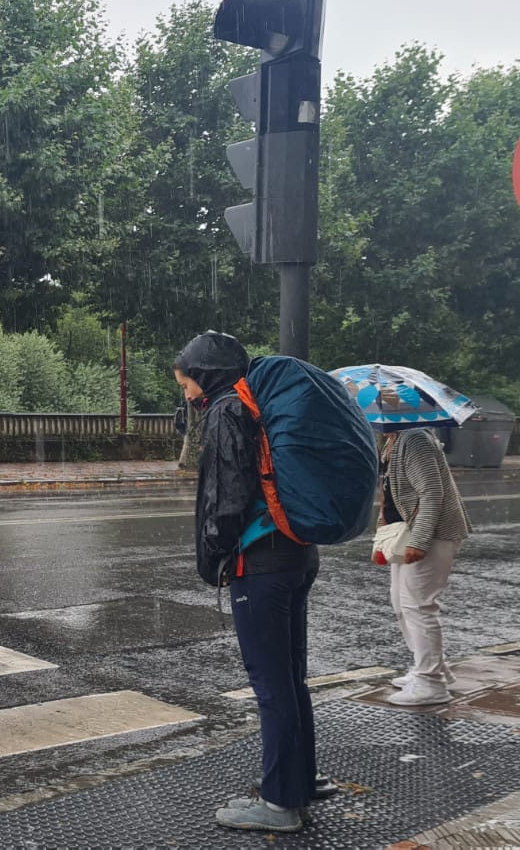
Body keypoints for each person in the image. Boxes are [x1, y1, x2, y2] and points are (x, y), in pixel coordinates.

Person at [174, 332, 331, 834]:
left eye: (187, 384)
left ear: (206, 377)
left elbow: (228, 498)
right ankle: (301, 782)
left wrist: (215, 556)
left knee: (271, 686)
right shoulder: (257, 403)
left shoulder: (226, 412)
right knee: (290, 678)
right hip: (297, 552)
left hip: (260, 562)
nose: (187, 395)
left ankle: (281, 804)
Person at [380, 427, 471, 706]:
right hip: (406, 531)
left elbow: (432, 493)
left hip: (433, 533)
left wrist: (419, 542)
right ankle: (432, 667)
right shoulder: (394, 438)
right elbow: (391, 494)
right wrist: (382, 539)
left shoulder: (415, 439)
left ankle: (431, 683)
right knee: (401, 603)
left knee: (418, 605)